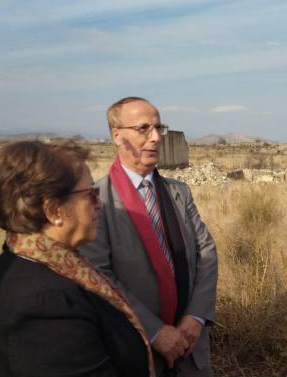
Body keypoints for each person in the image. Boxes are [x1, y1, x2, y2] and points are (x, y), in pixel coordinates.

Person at [0, 141, 154, 377]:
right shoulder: (43, 307)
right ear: (54, 210)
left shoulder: (36, 264)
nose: (100, 204)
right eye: (91, 194)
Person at [79, 97, 218, 376]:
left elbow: (206, 252)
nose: (155, 138)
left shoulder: (179, 193)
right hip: (137, 350)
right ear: (117, 135)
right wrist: (155, 332)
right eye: (144, 129)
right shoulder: (98, 201)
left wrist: (196, 316)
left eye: (159, 128)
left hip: (191, 347)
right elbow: (99, 277)